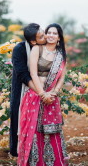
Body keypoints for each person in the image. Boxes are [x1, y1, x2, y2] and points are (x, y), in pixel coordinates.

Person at [18, 23, 69, 166]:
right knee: (34, 130)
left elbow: (62, 77)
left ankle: (54, 162)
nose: (51, 35)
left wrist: (54, 92)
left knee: (52, 130)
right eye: (49, 32)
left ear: (59, 37)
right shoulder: (37, 49)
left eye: (55, 33)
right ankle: (35, 162)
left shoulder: (61, 54)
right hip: (35, 95)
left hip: (52, 98)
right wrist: (42, 94)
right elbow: (32, 73)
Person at [10, 23, 47, 157]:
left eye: (44, 32)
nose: (45, 37)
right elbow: (23, 75)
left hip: (43, 89)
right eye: (41, 36)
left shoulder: (47, 47)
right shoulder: (19, 49)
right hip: (23, 89)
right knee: (19, 118)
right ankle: (20, 152)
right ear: (32, 41)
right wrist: (40, 91)